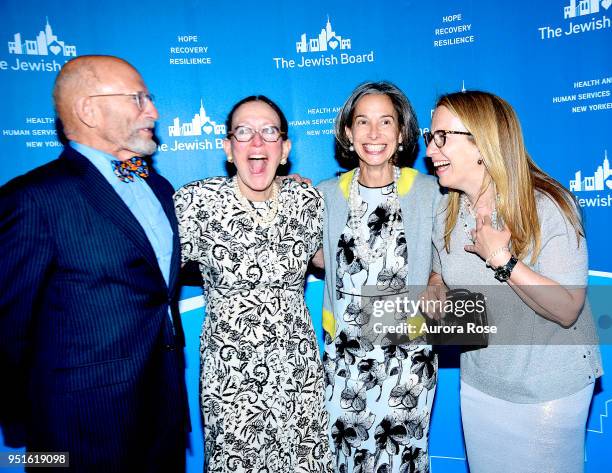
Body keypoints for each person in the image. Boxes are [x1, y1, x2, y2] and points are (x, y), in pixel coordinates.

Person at [0, 55, 189, 472]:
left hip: (163, 418)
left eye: (150, 98)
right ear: (88, 109)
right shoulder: (33, 198)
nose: (153, 111)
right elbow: (8, 324)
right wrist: (25, 422)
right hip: (75, 431)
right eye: (138, 99)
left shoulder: (157, 186)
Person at [424, 90, 603, 472]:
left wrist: (502, 260)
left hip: (550, 388)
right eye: (430, 137)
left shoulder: (547, 205)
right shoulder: (447, 210)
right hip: (481, 382)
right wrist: (436, 284)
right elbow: (441, 268)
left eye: (442, 137)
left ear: (483, 142)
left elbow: (568, 308)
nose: (430, 151)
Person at [173, 95, 333, 472]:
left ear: (285, 148)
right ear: (228, 148)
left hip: (299, 373)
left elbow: (331, 261)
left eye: (269, 132)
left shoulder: (307, 199)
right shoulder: (196, 202)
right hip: (231, 379)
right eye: (244, 132)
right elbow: (148, 274)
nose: (257, 143)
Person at [317, 82, 441, 472]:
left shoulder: (430, 192)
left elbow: (445, 256)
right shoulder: (323, 195)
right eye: (363, 122)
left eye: (385, 122)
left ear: (402, 133)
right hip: (344, 358)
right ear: (348, 133)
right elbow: (315, 257)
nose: (374, 134)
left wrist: (437, 279)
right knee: (346, 460)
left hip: (408, 359)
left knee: (401, 460)